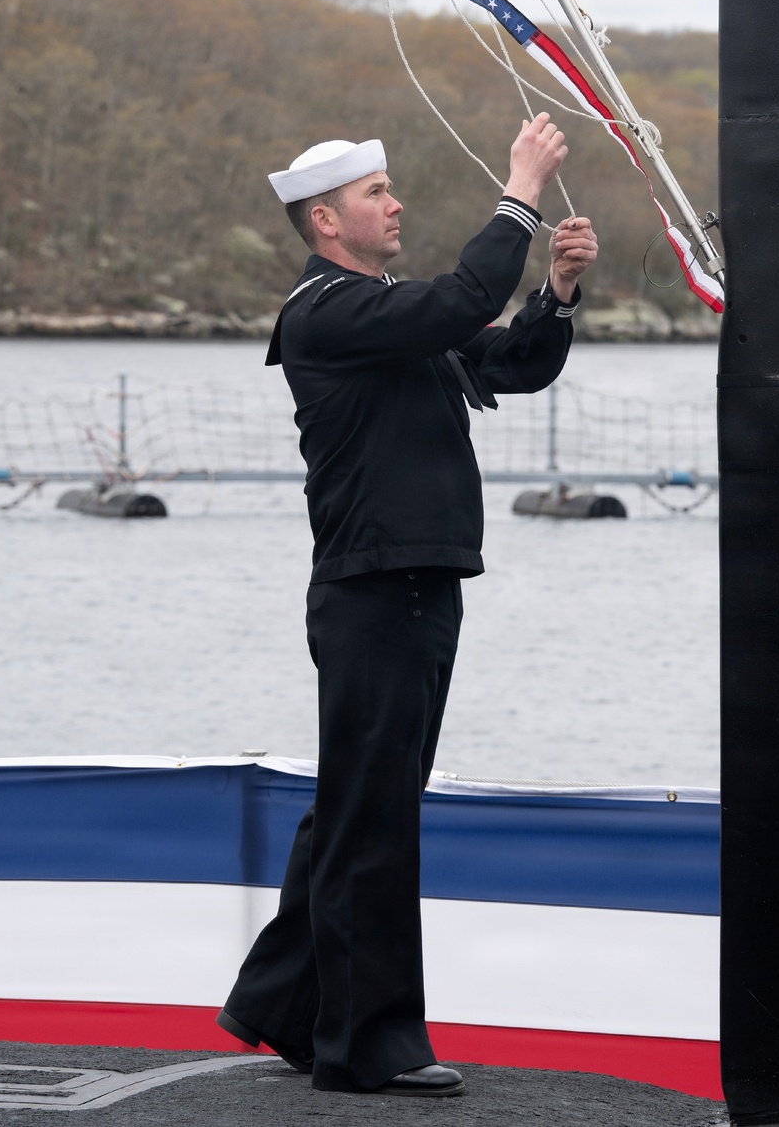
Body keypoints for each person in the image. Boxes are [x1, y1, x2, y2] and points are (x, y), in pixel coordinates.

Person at [216, 111, 598, 1099]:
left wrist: (556, 292)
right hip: (374, 594)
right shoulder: (326, 312)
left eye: (389, 188)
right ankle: (365, 1045)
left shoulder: (389, 317)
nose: (395, 203)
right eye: (375, 194)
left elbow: (512, 360)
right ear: (326, 222)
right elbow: (467, 293)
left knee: (357, 809)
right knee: (371, 816)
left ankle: (284, 1002)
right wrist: (519, 189)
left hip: (417, 589)